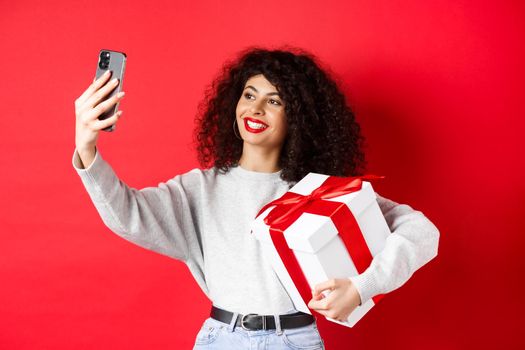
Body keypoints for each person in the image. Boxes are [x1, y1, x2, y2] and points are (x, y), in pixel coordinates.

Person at [73, 47, 440, 349]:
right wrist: (87, 146)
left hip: (296, 339)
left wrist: (362, 289)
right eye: (249, 95)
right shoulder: (200, 189)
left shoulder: (322, 192)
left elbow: (422, 233)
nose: (256, 108)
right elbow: (127, 214)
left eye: (274, 101)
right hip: (221, 339)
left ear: (297, 118)